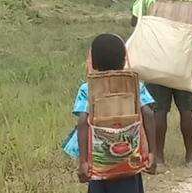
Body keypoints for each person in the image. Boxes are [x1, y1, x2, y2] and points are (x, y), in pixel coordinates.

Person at [131, 0, 192, 167]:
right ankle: (190, 157)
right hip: (184, 60)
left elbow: (135, 21)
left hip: (155, 60)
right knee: (186, 108)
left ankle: (160, 157)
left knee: (158, 109)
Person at [67, 33, 157, 193]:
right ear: (124, 60)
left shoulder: (88, 89)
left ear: (93, 61)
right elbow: (149, 115)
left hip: (99, 163)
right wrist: (152, 152)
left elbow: (82, 122)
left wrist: (83, 162)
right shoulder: (135, 85)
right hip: (130, 161)